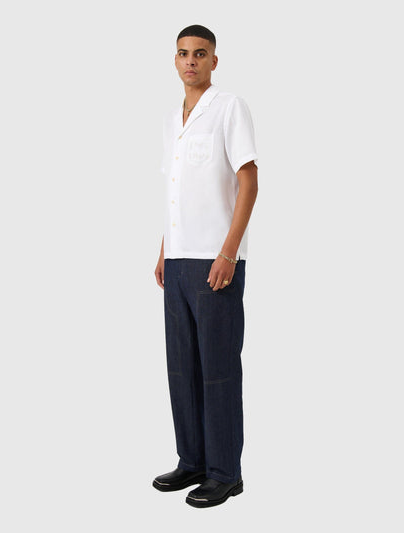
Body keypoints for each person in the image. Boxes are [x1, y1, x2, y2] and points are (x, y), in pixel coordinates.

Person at [153, 24, 258, 508]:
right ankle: (192, 459)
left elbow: (248, 181)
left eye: (200, 53)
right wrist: (164, 248)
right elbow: (178, 190)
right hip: (178, 260)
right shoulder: (173, 119)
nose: (190, 61)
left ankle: (225, 473)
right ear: (175, 61)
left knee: (218, 370)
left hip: (215, 261)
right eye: (183, 53)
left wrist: (228, 252)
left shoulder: (229, 107)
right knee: (182, 369)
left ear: (214, 60)